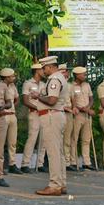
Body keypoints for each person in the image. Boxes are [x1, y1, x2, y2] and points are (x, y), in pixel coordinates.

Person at [34, 56, 68, 196]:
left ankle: (54, 185)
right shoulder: (59, 77)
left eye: (44, 67)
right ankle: (61, 183)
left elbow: (52, 100)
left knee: (53, 152)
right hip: (55, 115)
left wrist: (38, 96)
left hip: (51, 116)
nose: (43, 70)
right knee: (58, 152)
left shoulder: (54, 79)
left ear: (50, 66)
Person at [19, 63, 48, 174]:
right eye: (42, 69)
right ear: (36, 71)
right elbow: (25, 101)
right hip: (34, 113)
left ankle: (39, 164)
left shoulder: (44, 84)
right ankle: (25, 164)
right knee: (32, 138)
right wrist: (38, 107)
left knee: (43, 139)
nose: (44, 71)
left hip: (43, 113)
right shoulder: (28, 84)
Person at [69, 67, 95, 171]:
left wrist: (88, 107)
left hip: (87, 115)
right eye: (83, 74)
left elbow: (91, 99)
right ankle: (73, 161)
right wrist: (82, 108)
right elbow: (71, 101)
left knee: (86, 139)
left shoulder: (87, 85)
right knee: (74, 138)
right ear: (77, 75)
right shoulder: (71, 86)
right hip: (77, 114)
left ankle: (86, 162)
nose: (85, 75)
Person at [0, 68, 21, 174]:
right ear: (7, 77)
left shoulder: (13, 86)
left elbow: (17, 99)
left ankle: (12, 164)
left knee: (12, 142)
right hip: (2, 116)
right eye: (12, 76)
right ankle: (0, 166)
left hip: (12, 115)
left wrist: (12, 107)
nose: (14, 78)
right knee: (0, 142)